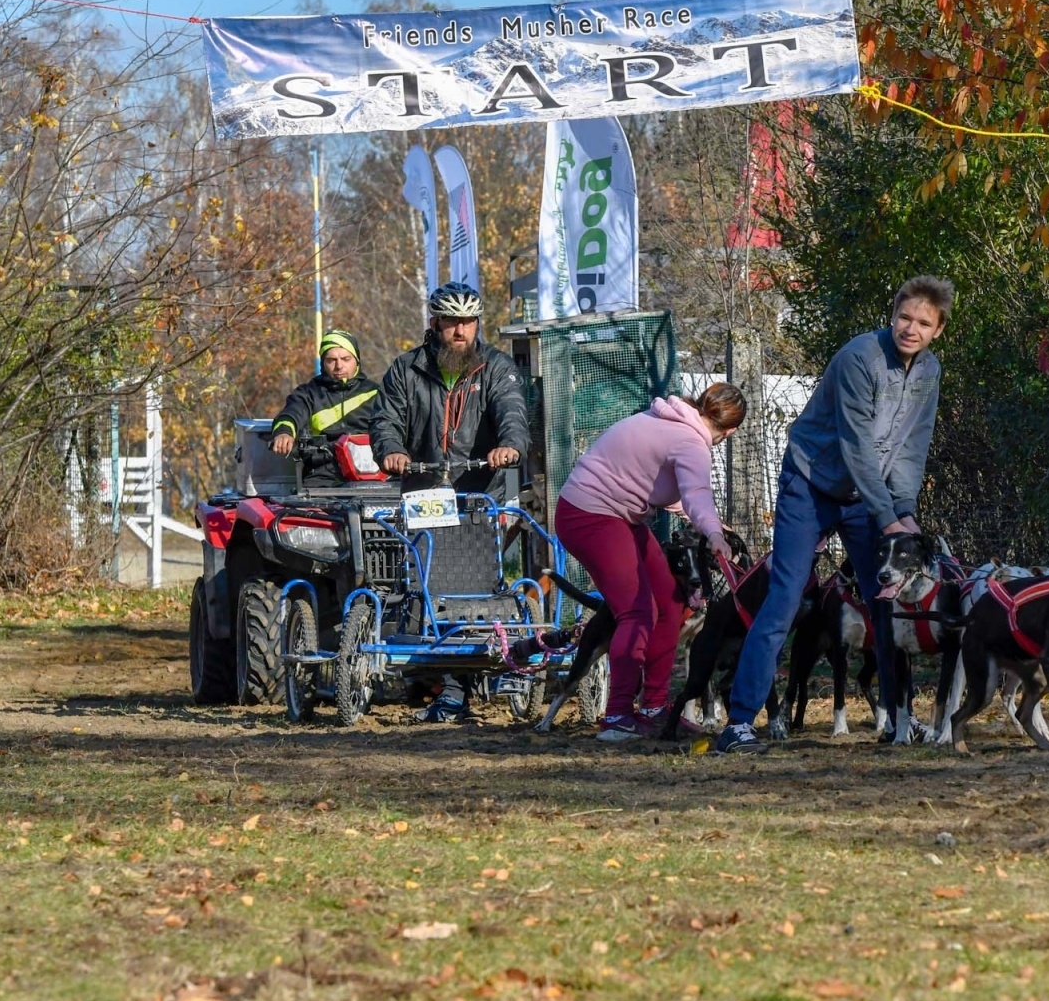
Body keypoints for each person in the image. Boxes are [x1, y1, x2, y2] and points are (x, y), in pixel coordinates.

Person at [713, 275, 954, 755]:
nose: (911, 328)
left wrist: (903, 510)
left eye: (923, 323)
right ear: (892, 315)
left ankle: (896, 722)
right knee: (785, 597)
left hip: (868, 497)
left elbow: (912, 445)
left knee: (885, 601)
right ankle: (739, 723)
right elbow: (858, 445)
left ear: (937, 330)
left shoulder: (929, 372)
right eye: (905, 317)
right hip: (812, 483)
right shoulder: (859, 358)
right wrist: (888, 516)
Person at [369, 281, 531, 723]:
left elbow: (512, 412)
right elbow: (386, 421)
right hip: (425, 491)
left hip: (479, 495)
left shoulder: (496, 368)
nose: (460, 331)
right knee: (432, 585)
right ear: (435, 322)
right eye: (451, 322)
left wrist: (510, 445)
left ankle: (472, 680)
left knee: (478, 587)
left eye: (468, 321)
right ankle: (445, 685)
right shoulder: (406, 369)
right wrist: (392, 451)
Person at [555, 383, 745, 742]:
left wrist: (711, 523)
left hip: (617, 513)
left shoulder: (672, 417)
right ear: (731, 431)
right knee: (637, 611)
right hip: (590, 514)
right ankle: (618, 717)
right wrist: (714, 534)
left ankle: (656, 708)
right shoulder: (692, 442)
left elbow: (650, 478)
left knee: (670, 603)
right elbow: (697, 494)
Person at [269, 330, 381, 486]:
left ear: (357, 360)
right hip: (323, 476)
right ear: (323, 363)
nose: (339, 366)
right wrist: (284, 432)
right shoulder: (308, 393)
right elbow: (291, 414)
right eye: (331, 360)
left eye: (345, 359)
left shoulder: (377, 393)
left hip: (373, 476)